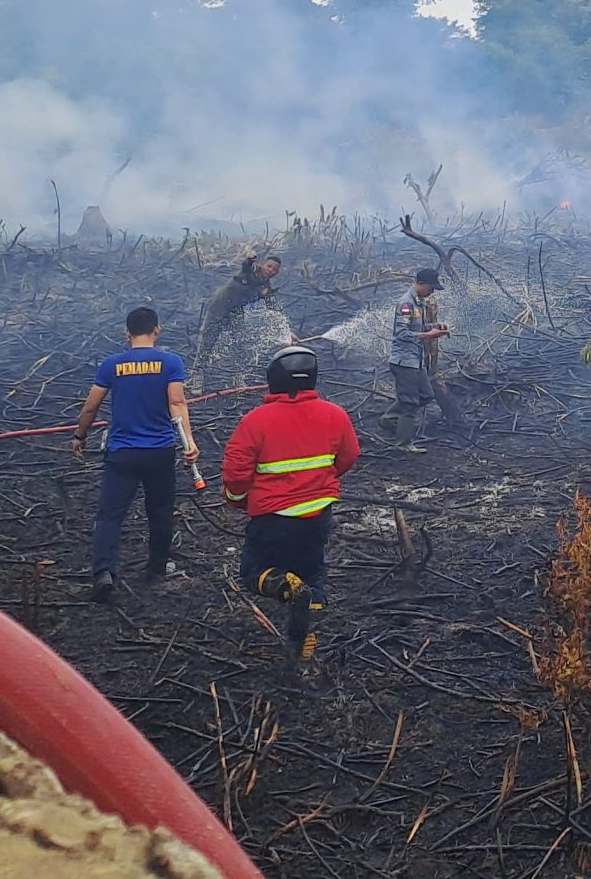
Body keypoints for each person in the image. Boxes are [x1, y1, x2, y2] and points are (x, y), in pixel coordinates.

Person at [222, 344, 360, 671]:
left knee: (253, 573)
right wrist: (320, 482)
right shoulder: (335, 414)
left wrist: (238, 500)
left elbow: (235, 473)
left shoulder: (255, 421)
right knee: (312, 574)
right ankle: (303, 646)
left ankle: (286, 586)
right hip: (317, 517)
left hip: (272, 519)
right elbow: (349, 455)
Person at [72, 305, 198, 600]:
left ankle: (104, 571)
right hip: (160, 452)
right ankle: (156, 566)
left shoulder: (112, 365)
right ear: (157, 330)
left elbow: (91, 406)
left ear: (126, 333)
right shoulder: (170, 362)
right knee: (160, 512)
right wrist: (189, 443)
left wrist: (80, 435)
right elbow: (177, 404)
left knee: (109, 516)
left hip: (122, 453)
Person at [386, 266, 465, 450]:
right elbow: (402, 334)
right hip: (404, 362)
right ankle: (404, 443)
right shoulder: (406, 304)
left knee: (427, 395)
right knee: (411, 403)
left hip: (416, 361)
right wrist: (431, 335)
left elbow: (418, 327)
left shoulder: (419, 303)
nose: (432, 292)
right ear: (420, 283)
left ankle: (388, 419)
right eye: (431, 287)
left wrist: (435, 326)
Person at [195, 253, 282, 369]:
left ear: (277, 273)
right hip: (219, 306)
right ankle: (199, 368)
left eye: (274, 269)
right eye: (269, 266)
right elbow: (246, 265)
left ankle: (233, 368)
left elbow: (273, 308)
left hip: (235, 311)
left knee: (239, 338)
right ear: (262, 265)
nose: (271, 270)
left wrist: (287, 332)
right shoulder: (252, 270)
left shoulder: (266, 288)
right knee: (209, 337)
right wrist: (250, 259)